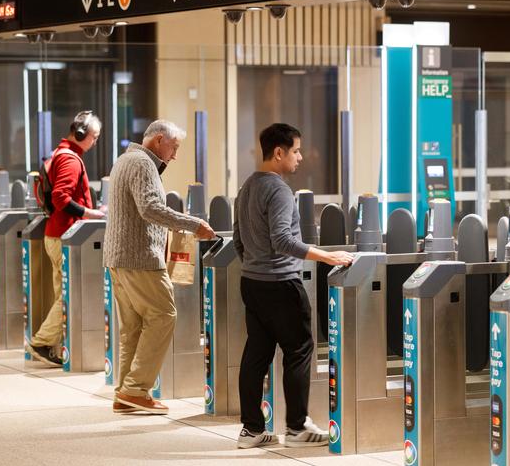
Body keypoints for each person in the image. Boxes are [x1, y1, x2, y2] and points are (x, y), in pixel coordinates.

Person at [234, 123, 355, 448]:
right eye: (296, 150)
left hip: (252, 282)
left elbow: (238, 239)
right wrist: (327, 257)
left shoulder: (246, 187)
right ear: (279, 153)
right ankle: (297, 427)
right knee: (300, 349)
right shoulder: (278, 190)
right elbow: (284, 240)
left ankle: (251, 429)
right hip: (281, 284)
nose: (300, 157)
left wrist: (254, 265)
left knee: (256, 354)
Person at [103, 120, 216, 415]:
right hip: (140, 257)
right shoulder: (143, 164)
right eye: (174, 147)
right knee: (164, 315)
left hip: (118, 258)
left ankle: (126, 393)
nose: (175, 155)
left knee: (133, 328)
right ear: (159, 140)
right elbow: (150, 208)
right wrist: (193, 224)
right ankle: (136, 388)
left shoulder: (124, 160)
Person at [27, 110, 106, 366]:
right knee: (68, 294)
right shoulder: (71, 160)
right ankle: (41, 342)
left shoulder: (60, 154)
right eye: (94, 136)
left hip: (57, 234)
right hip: (66, 235)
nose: (95, 142)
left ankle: (54, 343)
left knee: (63, 290)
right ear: (82, 134)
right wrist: (92, 213)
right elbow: (61, 198)